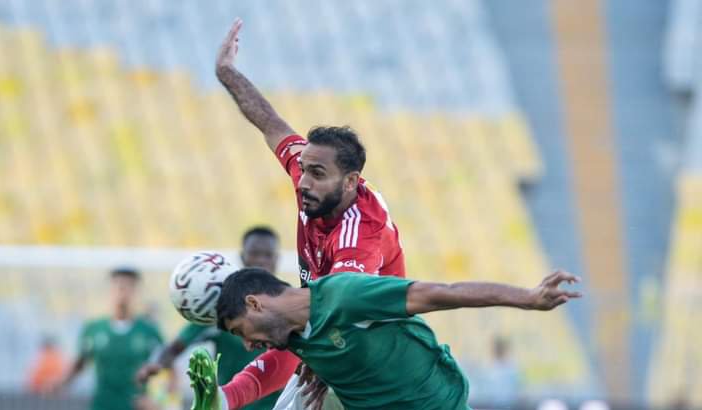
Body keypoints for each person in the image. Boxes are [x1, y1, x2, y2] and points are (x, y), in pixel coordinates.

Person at [213, 18, 406, 410]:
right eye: (305, 169)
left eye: (317, 174)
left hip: (367, 352)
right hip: (327, 325)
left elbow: (337, 315)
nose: (302, 182)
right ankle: (223, 400)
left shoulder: (360, 234)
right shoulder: (313, 176)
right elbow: (270, 124)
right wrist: (227, 72)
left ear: (351, 182)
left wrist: (316, 361)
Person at [188, 269, 581, 410]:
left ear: (255, 303)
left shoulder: (344, 297)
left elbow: (443, 292)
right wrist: (223, 399)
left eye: (242, 331)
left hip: (438, 404)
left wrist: (528, 299)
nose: (248, 345)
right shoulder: (288, 338)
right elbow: (265, 371)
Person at [137, 226, 283, 409]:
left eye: (268, 255)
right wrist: (157, 363)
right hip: (231, 404)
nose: (261, 261)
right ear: (242, 257)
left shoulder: (288, 309)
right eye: (255, 253)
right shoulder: (220, 307)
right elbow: (176, 347)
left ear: (277, 259)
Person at [52, 268, 165, 410]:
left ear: (136, 292)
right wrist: (60, 383)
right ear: (110, 290)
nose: (123, 291)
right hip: (102, 405)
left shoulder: (149, 331)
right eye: (118, 285)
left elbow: (169, 371)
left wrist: (158, 402)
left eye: (129, 286)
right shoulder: (93, 329)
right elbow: (79, 364)